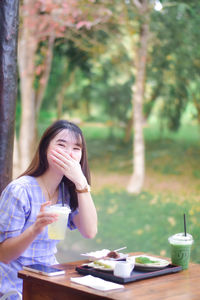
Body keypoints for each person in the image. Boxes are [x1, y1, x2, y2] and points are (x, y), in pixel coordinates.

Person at [0, 119, 97, 298]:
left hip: (49, 278)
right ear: (45, 149)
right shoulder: (20, 190)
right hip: (14, 286)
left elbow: (89, 231)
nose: (69, 154)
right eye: (61, 145)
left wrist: (81, 182)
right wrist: (35, 229)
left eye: (76, 148)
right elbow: (4, 254)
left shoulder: (67, 191)